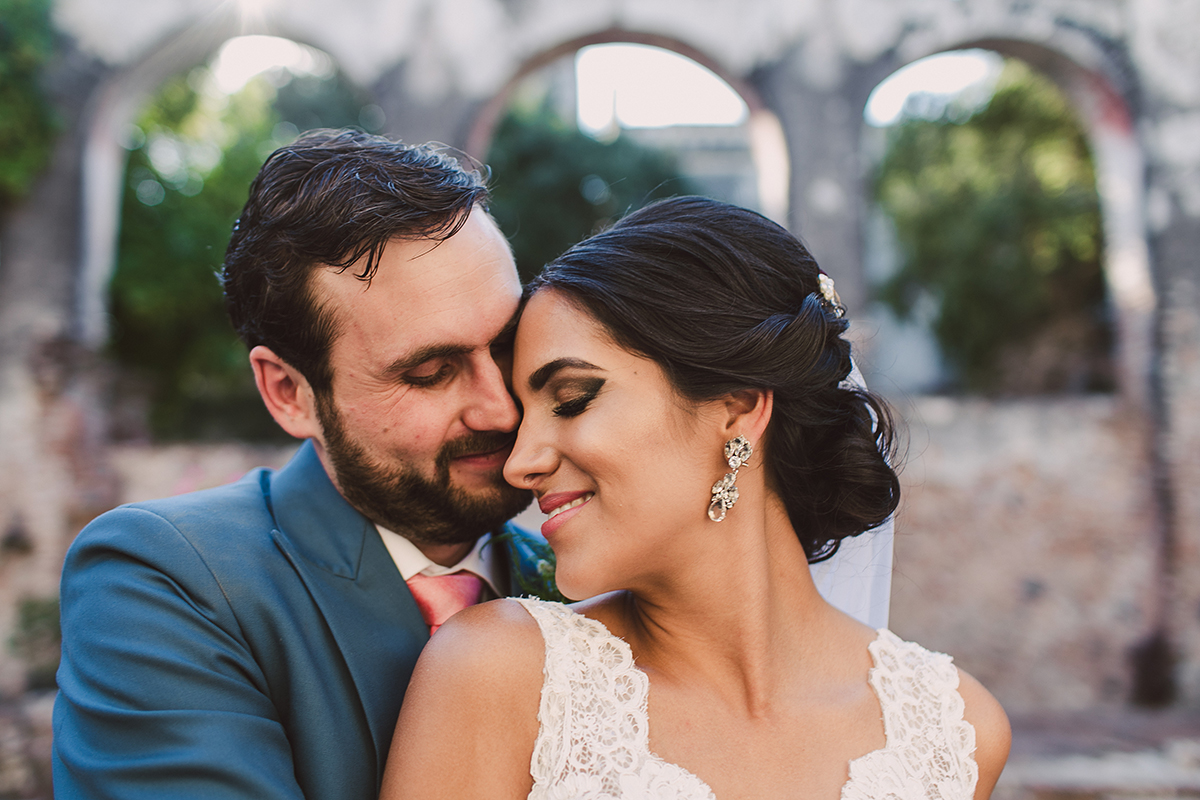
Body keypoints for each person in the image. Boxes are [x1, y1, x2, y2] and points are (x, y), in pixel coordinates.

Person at [381, 196, 1011, 799]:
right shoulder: (500, 678)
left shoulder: (954, 734)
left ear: (736, 409)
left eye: (572, 399)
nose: (521, 463)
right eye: (524, 419)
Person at [52, 129, 562, 800]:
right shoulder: (163, 581)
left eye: (505, 346)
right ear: (289, 393)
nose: (499, 409)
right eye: (432, 372)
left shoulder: (587, 579)